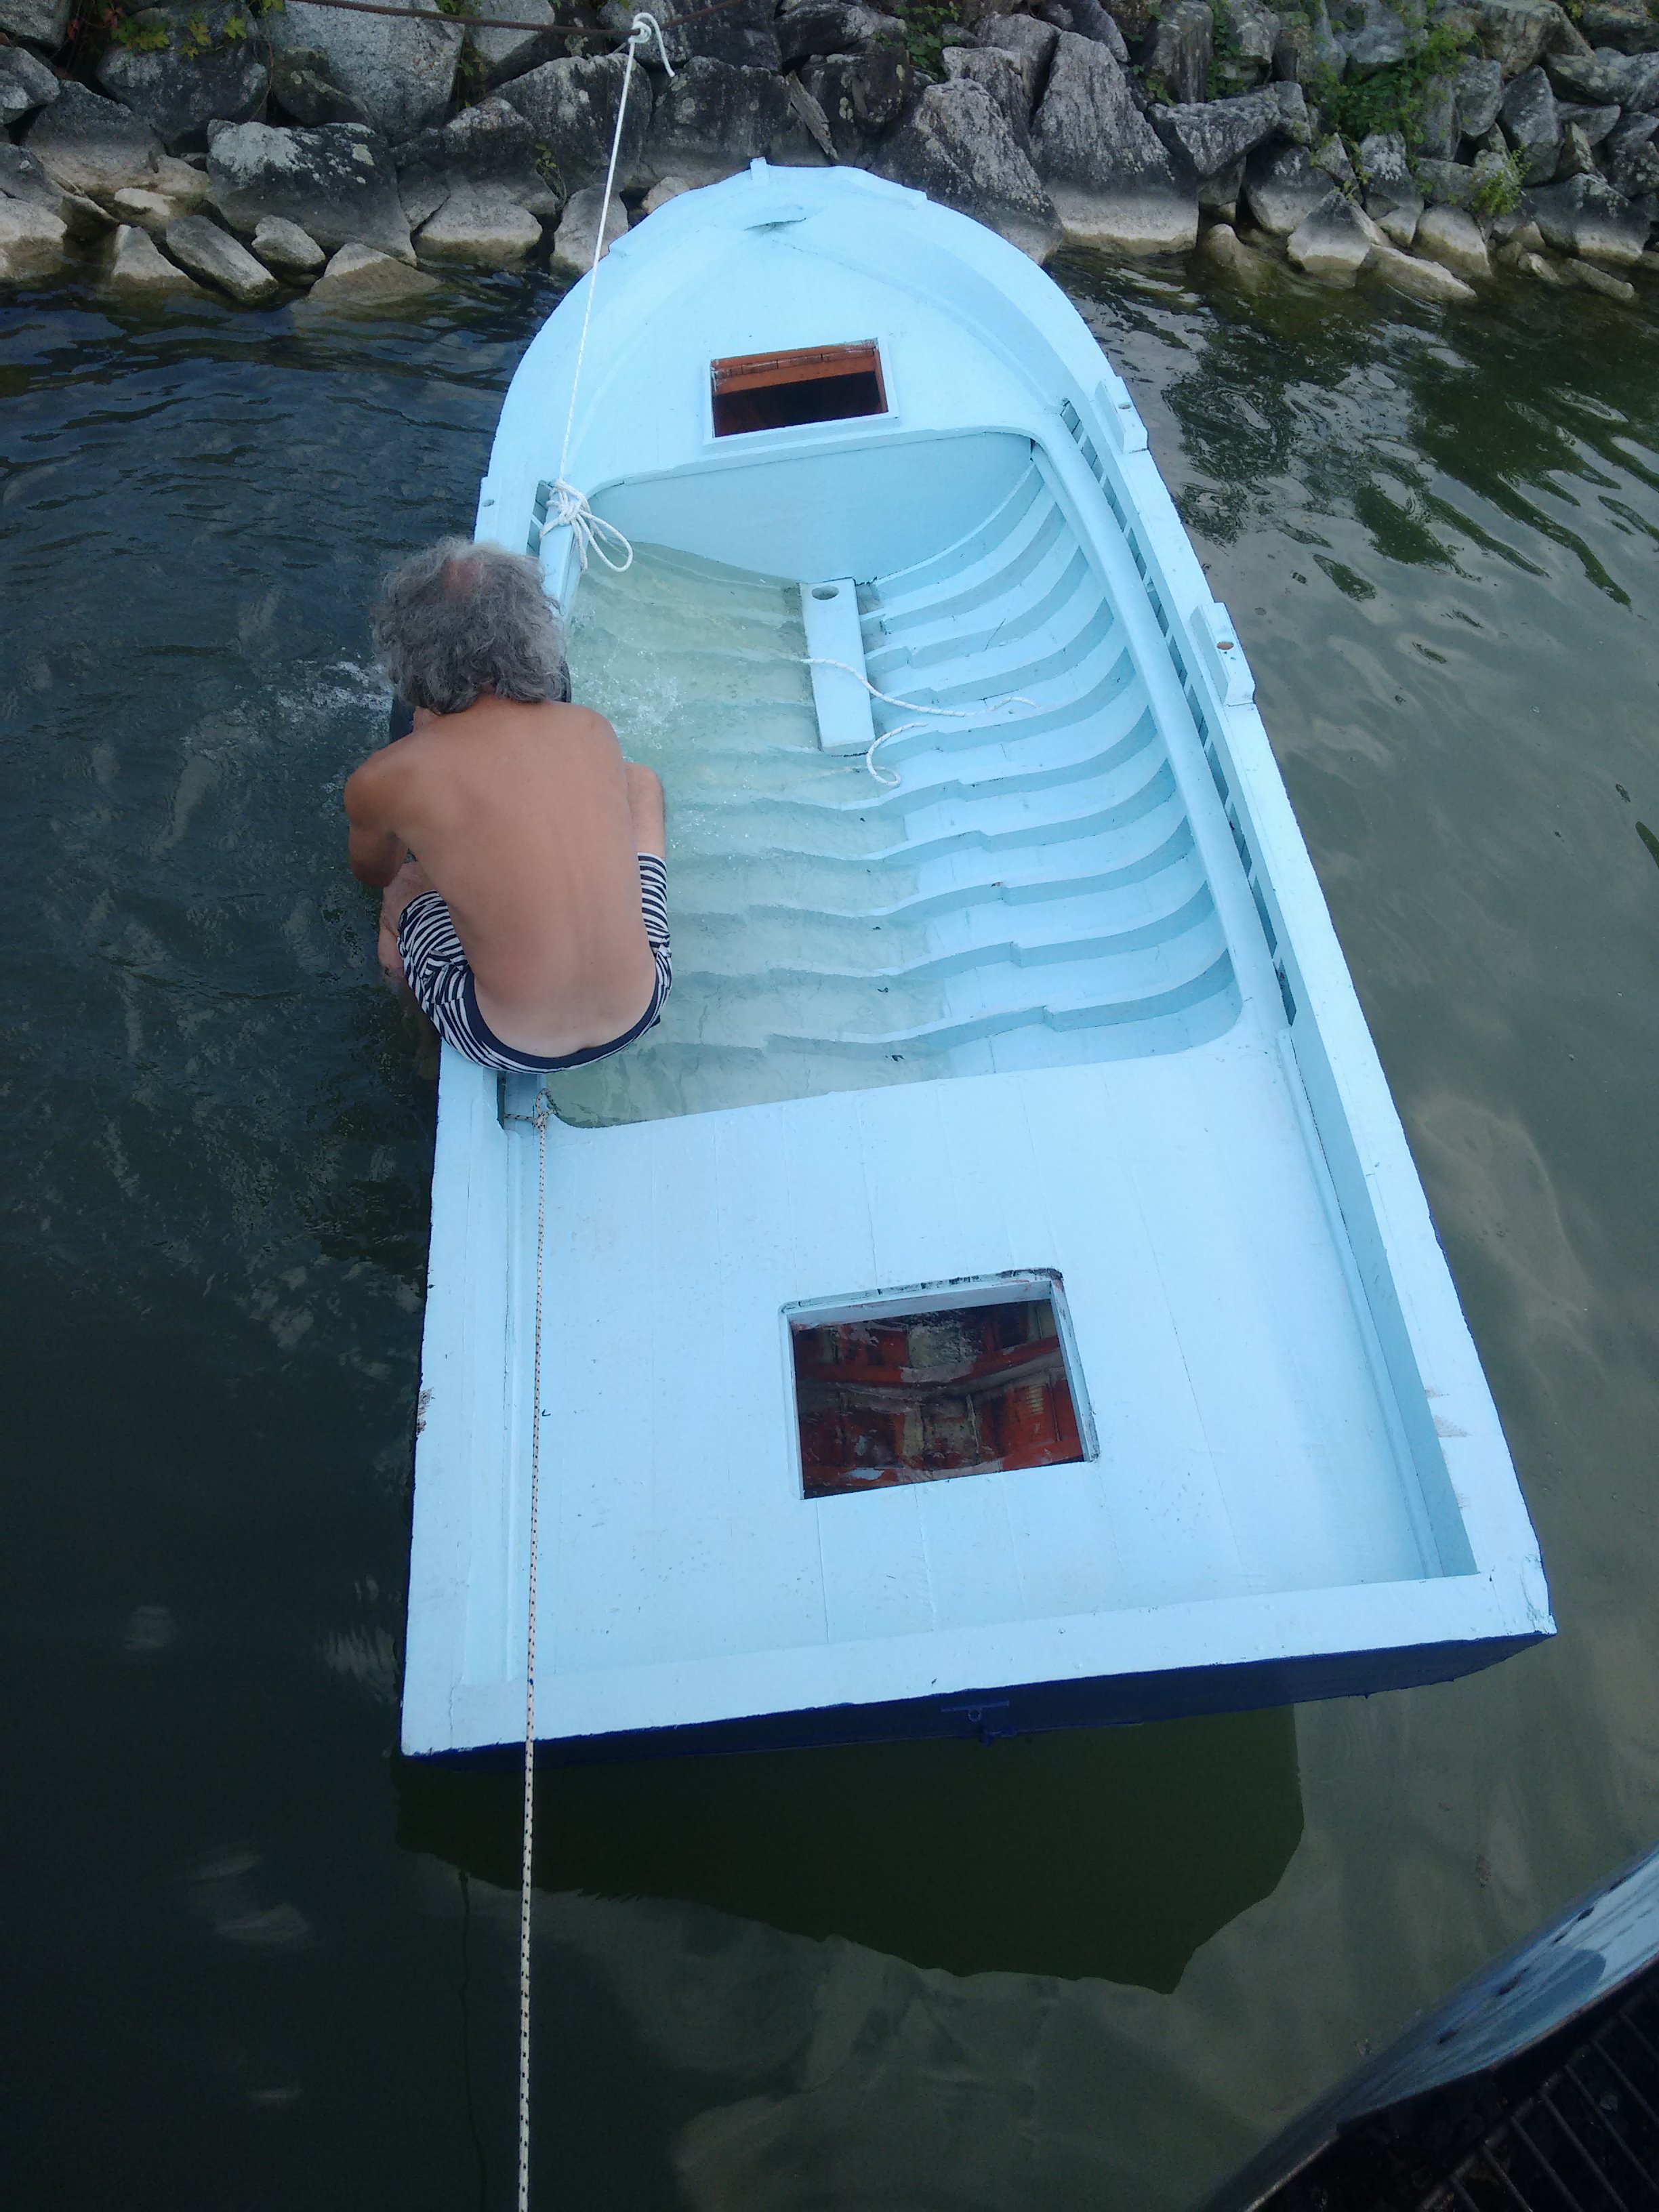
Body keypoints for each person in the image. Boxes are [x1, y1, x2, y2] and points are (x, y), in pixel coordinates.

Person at [344, 538, 669, 1073]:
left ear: (407, 651)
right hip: (643, 1005)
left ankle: (418, 1026)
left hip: (504, 1042)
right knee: (641, 784)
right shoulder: (589, 728)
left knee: (404, 891)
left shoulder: (385, 776)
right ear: (534, 633)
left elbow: (374, 872)